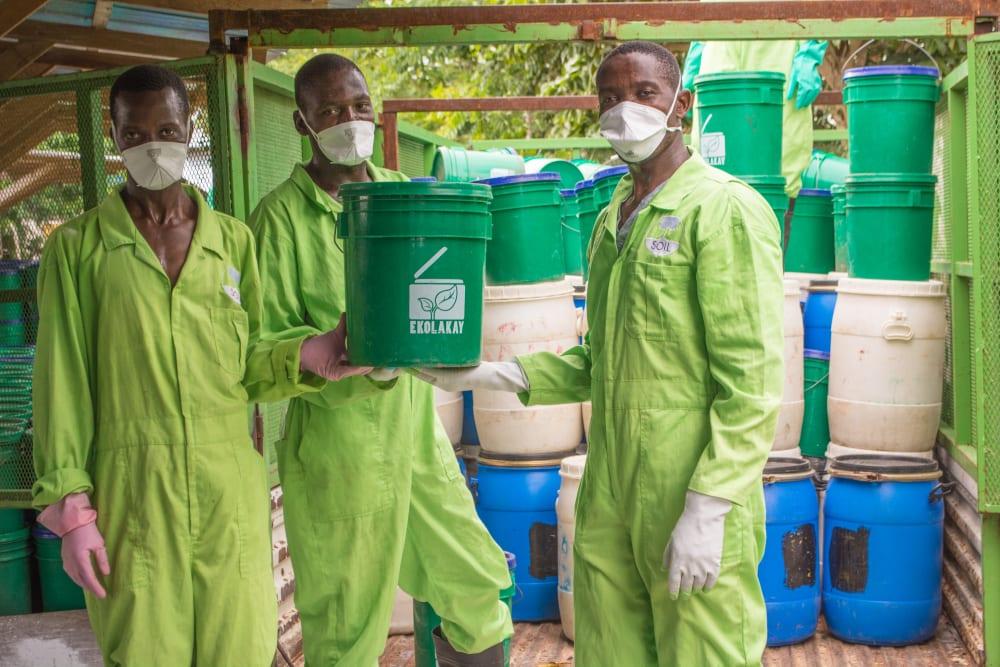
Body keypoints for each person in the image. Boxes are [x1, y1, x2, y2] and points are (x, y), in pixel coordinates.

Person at [419, 41, 784, 665]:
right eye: (610, 98)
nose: (625, 111)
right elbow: (604, 360)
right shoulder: (614, 216)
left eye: (643, 94)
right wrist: (492, 371)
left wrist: (708, 505)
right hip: (610, 485)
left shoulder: (722, 210)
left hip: (688, 487)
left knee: (704, 652)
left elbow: (750, 385)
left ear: (681, 103)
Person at [31, 64, 359, 666]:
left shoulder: (232, 242)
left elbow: (252, 361)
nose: (151, 144)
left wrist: (311, 353)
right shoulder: (78, 251)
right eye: (134, 134)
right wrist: (72, 509)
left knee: (240, 650)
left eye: (166, 127)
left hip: (227, 491)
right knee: (146, 653)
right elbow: (61, 383)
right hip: (134, 497)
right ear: (114, 136)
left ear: (191, 128)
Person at [248, 53, 513, 666]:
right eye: (330, 111)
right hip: (340, 455)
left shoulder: (404, 195)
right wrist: (313, 353)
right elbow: (258, 353)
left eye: (359, 106)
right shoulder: (278, 222)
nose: (349, 119)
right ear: (301, 122)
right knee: (347, 630)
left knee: (476, 584)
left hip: (418, 440)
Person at [684, 7, 828, 203]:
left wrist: (810, 51)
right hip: (720, 61)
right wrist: (690, 73)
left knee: (775, 167)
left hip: (778, 51)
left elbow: (817, 12)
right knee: (716, 173)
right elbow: (703, 22)